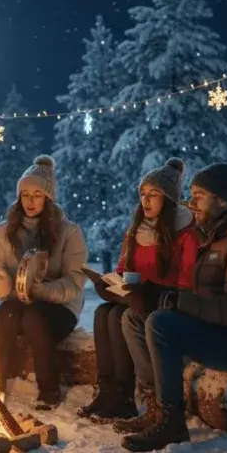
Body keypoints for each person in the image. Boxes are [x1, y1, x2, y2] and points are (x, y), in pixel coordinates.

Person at [119, 162, 227, 452]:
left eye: (198, 195)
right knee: (135, 318)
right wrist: (157, 294)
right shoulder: (218, 235)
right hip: (222, 331)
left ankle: (171, 419)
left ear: (221, 199)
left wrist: (170, 301)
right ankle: (154, 405)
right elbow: (201, 294)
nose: (191, 202)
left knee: (161, 323)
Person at [77, 158, 199, 426]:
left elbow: (185, 282)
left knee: (119, 316)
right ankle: (108, 390)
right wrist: (108, 285)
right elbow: (123, 269)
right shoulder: (136, 231)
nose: (146, 200)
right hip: (132, 297)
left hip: (159, 303)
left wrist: (148, 291)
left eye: (153, 194)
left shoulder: (185, 234)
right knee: (103, 312)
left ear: (168, 198)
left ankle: (126, 396)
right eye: (143, 194)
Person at [0, 155, 88, 410]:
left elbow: (75, 282)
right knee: (6, 313)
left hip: (59, 308)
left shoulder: (69, 232)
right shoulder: (3, 231)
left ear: (48, 198)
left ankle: (49, 390)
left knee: (34, 317)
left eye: (37, 195)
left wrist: (42, 290)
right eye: (25, 194)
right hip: (18, 303)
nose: (29, 201)